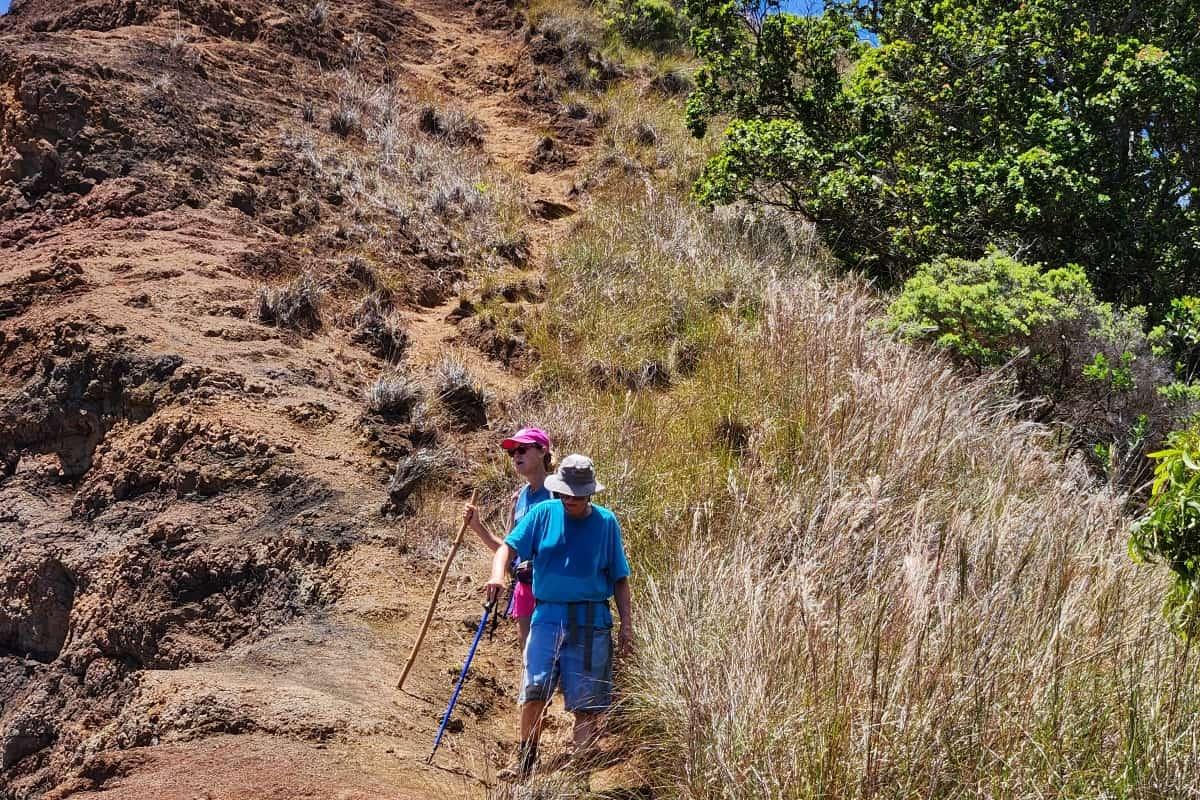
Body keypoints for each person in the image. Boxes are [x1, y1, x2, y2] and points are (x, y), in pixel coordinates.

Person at [484, 454, 633, 781]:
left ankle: (578, 776)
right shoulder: (542, 514)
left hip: (592, 621)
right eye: (566, 494)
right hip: (547, 616)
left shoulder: (607, 523)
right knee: (534, 689)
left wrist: (627, 626)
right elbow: (507, 548)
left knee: (587, 704)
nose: (570, 501)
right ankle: (525, 763)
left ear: (590, 493)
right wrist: (497, 575)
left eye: (577, 496)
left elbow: (620, 578)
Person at [464, 426, 553, 645]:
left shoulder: (558, 494)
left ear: (542, 451)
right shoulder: (520, 497)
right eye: (512, 452)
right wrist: (477, 526)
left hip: (551, 588)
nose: (516, 456)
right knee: (528, 655)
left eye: (522, 450)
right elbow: (508, 551)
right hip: (524, 586)